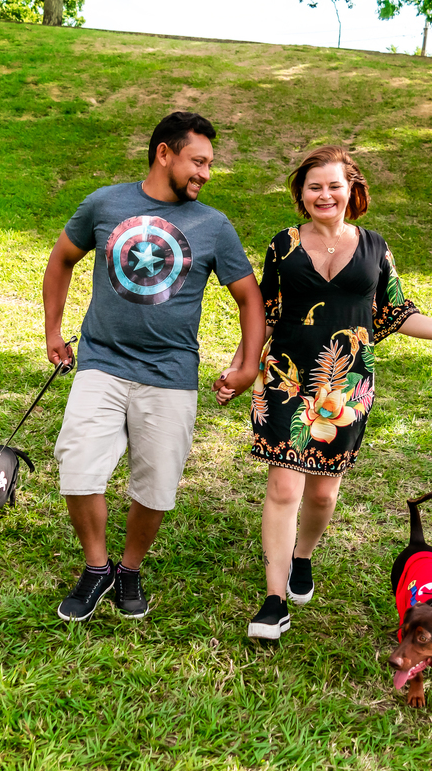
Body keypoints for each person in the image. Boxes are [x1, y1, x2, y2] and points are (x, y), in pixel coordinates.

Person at [215, 145, 432, 641]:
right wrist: (242, 367)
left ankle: (303, 556)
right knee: (284, 488)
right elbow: (263, 313)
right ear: (301, 192)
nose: (324, 194)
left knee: (322, 492)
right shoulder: (283, 246)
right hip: (287, 377)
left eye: (333, 185)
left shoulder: (374, 247)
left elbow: (397, 313)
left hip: (348, 386)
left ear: (351, 190)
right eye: (314, 186)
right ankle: (274, 601)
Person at [42, 111, 264, 623]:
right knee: (78, 468)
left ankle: (130, 568)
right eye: (198, 161)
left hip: (171, 373)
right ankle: (97, 569)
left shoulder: (214, 225)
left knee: (156, 484)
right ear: (165, 152)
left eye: (210, 164)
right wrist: (54, 332)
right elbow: (61, 259)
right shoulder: (105, 203)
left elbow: (249, 299)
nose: (206, 173)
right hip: (101, 360)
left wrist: (247, 364)